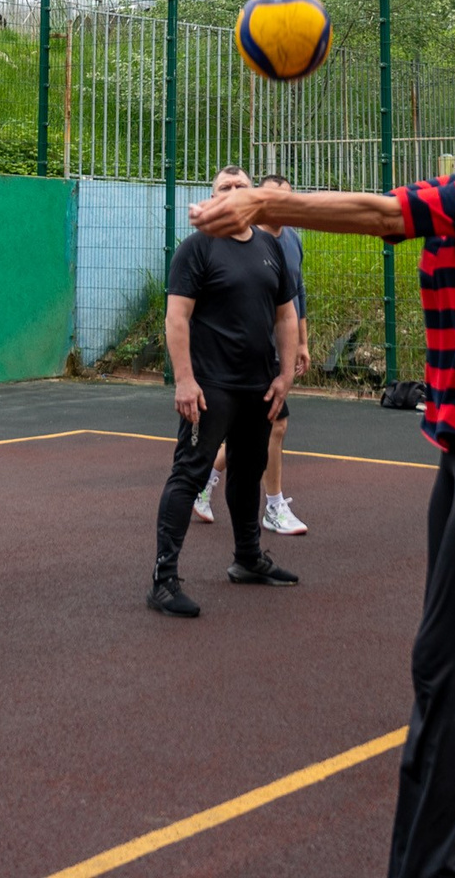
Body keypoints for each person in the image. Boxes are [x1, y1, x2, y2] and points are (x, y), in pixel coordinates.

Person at [192, 68, 455, 878]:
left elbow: (385, 214)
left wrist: (266, 204)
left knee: (440, 659)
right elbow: (394, 209)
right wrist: (268, 202)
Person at [148, 165, 303, 619]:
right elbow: (176, 318)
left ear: (252, 196)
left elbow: (286, 317)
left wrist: (285, 375)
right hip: (211, 387)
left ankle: (248, 559)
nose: (233, 193)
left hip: (260, 385)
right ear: (213, 198)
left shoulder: (271, 247)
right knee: (189, 474)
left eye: (241, 187)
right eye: (224, 188)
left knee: (247, 471)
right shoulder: (196, 249)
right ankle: (163, 579)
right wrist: (184, 380)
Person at [195, 170, 313, 536]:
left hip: (277, 348)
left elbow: (295, 299)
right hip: (246, 354)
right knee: (274, 426)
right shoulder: (249, 240)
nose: (281, 205)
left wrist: (302, 344)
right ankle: (273, 506)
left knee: (255, 434)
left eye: (287, 198)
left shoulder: (291, 240)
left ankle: (205, 483)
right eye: (273, 198)